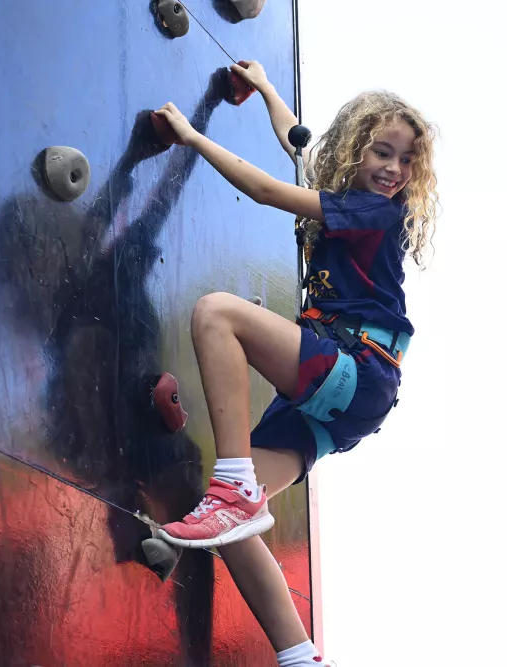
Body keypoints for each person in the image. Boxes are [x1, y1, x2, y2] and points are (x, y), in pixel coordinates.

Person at [152, 61, 439, 666]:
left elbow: (267, 190)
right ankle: (300, 656)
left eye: (406, 160)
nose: (393, 169)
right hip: (336, 403)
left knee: (216, 315)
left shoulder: (376, 213)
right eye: (381, 152)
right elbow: (302, 146)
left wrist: (192, 135)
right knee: (230, 528)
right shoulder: (346, 196)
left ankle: (233, 489)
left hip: (358, 368)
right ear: (357, 150)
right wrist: (265, 89)